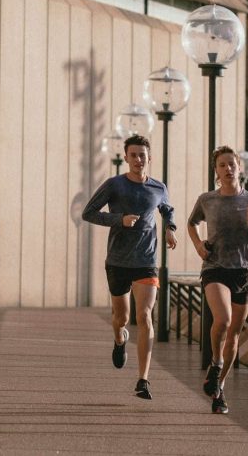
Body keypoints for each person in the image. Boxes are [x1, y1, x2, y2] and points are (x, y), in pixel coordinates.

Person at [82, 134, 177, 400]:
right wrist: (119, 220)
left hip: (146, 262)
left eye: (142, 155)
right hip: (118, 261)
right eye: (133, 155)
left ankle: (143, 380)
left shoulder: (158, 187)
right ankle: (119, 339)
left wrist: (170, 228)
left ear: (150, 158)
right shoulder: (115, 185)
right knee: (121, 318)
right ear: (126, 157)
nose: (138, 160)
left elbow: (167, 209)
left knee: (145, 316)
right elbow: (88, 212)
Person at [187, 146, 248, 414]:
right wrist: (199, 246)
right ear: (216, 170)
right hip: (215, 268)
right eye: (222, 165)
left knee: (234, 335)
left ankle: (219, 388)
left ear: (240, 167)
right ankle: (215, 362)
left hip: (243, 273)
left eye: (231, 164)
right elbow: (192, 224)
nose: (227, 169)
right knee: (221, 320)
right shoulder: (207, 200)